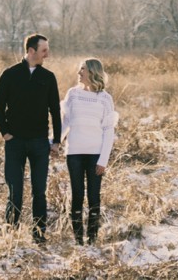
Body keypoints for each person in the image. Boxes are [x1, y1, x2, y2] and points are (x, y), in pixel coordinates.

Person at [0, 32, 61, 242]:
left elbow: (55, 111)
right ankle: (11, 237)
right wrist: (5, 132)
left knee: (39, 193)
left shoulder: (48, 78)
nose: (47, 55)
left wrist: (56, 141)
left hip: (40, 143)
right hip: (15, 143)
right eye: (43, 51)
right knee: (14, 192)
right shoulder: (9, 74)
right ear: (31, 51)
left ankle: (39, 237)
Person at [60, 56, 117, 245]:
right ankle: (78, 240)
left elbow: (109, 131)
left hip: (95, 155)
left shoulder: (105, 99)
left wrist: (103, 160)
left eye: (82, 69)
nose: (79, 73)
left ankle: (92, 238)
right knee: (77, 195)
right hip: (74, 153)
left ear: (92, 72)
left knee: (93, 197)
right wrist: (55, 141)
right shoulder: (73, 94)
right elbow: (66, 122)